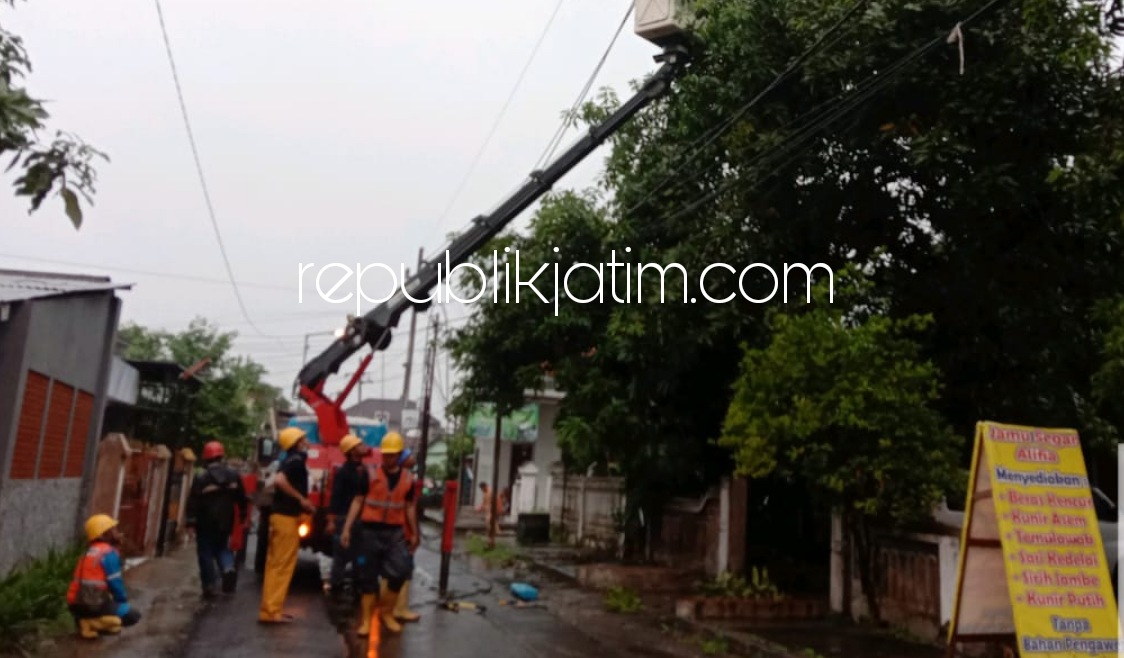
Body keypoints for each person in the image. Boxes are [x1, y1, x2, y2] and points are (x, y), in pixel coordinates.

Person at [341, 432, 418, 636]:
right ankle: (366, 621)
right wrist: (347, 528)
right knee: (367, 578)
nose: (388, 458)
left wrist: (414, 533)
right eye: (386, 454)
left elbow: (409, 507)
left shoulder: (409, 479)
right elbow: (357, 501)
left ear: (400, 455)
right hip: (370, 532)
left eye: (393, 455)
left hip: (395, 532)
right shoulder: (370, 473)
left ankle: (386, 612)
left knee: (401, 570)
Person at [258, 426, 316, 624]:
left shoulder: (288, 461)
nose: (307, 442)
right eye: (304, 439)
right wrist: (302, 499)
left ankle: (270, 609)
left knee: (275, 565)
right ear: (297, 443)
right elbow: (280, 481)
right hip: (286, 517)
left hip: (280, 516)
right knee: (282, 565)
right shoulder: (296, 461)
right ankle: (272, 611)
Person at [185, 440, 248, 599]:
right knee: (222, 547)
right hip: (226, 519)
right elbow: (242, 498)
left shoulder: (202, 477)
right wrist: (242, 515)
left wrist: (190, 522)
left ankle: (209, 585)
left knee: (205, 552)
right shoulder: (233, 475)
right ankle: (228, 567)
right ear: (221, 456)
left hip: (205, 520)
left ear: (206, 457)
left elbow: (193, 501)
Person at [67, 515, 142, 639]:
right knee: (133, 616)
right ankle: (92, 623)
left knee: (114, 615)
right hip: (92, 605)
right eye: (114, 530)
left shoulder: (88, 552)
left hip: (75, 605)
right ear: (104, 534)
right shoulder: (108, 553)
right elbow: (116, 585)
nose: (117, 533)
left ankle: (85, 621)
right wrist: (122, 603)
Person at [326, 433, 370, 596]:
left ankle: (358, 582)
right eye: (359, 444)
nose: (363, 446)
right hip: (343, 519)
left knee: (360, 554)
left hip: (360, 520)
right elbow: (335, 497)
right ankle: (336, 585)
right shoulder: (343, 472)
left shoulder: (363, 471)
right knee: (341, 555)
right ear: (352, 451)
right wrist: (332, 520)